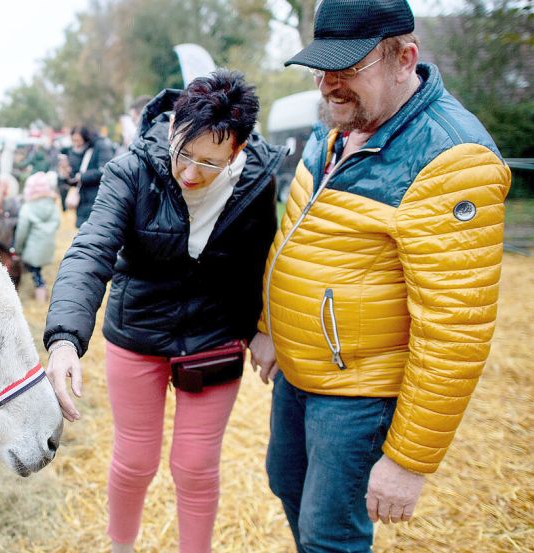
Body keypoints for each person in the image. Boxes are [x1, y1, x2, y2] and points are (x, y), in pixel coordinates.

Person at [247, 1, 513, 551]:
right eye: (323, 68)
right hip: (303, 374)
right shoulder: (340, 125)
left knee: (331, 537)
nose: (329, 85)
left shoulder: (452, 157)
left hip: (358, 391)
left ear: (404, 58)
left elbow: (455, 329)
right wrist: (271, 324)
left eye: (348, 69)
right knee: (286, 483)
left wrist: (408, 460)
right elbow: (297, 231)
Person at [44, 71, 287, 553]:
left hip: (214, 336)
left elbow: (265, 258)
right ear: (173, 127)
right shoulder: (132, 169)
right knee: (135, 459)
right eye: (183, 153)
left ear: (236, 151)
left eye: (210, 163)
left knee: (196, 465)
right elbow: (91, 249)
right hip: (138, 330)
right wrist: (65, 338)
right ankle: (121, 547)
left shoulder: (258, 179)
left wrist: (264, 326)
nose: (191, 173)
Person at [15, 171, 61, 303]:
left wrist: (17, 248)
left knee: (36, 273)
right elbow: (57, 223)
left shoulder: (27, 207)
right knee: (37, 268)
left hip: (32, 248)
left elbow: (21, 231)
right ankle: (41, 291)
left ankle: (41, 298)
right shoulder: (52, 205)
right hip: (47, 245)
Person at [57, 125, 114, 228]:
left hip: (97, 197)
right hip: (83, 199)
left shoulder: (100, 147)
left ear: (85, 138)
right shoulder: (75, 151)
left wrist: (81, 177)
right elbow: (74, 178)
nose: (76, 144)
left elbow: (104, 170)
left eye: (78, 140)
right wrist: (67, 174)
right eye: (73, 140)